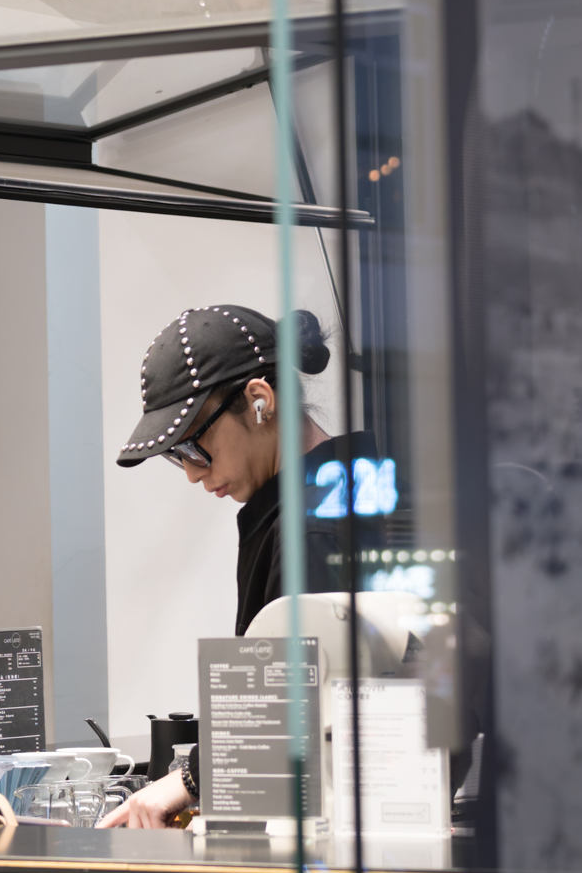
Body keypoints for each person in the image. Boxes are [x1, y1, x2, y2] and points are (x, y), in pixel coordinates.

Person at [96, 303, 387, 828]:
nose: (191, 473)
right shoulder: (341, 493)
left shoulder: (313, 526)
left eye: (193, 445)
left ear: (259, 401)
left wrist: (189, 781)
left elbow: (295, 705)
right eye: (175, 456)